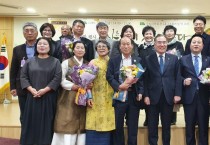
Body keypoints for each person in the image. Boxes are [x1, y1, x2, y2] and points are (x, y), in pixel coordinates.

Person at [20, 37, 62, 144]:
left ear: (49, 47)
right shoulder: (29, 61)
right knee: (31, 121)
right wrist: (31, 89)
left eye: (45, 44)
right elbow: (23, 77)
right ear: (36, 47)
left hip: (49, 97)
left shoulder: (56, 61)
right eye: (39, 44)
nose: (42, 46)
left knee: (47, 122)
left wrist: (45, 90)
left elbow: (57, 78)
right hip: (32, 96)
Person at [144, 34, 182, 145]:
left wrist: (177, 94)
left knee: (166, 126)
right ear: (154, 44)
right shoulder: (148, 58)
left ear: (167, 44)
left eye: (164, 42)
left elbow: (178, 77)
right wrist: (145, 95)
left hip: (168, 96)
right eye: (159, 42)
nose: (162, 44)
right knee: (152, 126)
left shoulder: (174, 58)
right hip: (152, 98)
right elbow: (145, 79)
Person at [106, 37, 144, 145]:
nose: (126, 46)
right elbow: (109, 76)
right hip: (119, 96)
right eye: (123, 44)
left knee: (133, 126)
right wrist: (119, 86)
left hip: (133, 96)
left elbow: (141, 78)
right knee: (118, 126)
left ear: (132, 46)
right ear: (120, 46)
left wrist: (141, 92)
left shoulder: (138, 60)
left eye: (128, 44)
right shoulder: (114, 60)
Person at [52, 41, 88, 145]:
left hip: (82, 95)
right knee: (67, 118)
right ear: (73, 50)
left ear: (85, 51)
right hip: (68, 95)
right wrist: (73, 86)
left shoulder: (87, 63)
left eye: (82, 48)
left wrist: (87, 85)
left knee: (81, 120)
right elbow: (61, 79)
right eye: (78, 47)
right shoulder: (66, 62)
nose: (80, 50)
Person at [180, 34, 210, 145]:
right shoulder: (183, 60)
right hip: (189, 98)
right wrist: (183, 81)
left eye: (199, 42)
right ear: (190, 45)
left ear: (203, 45)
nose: (196, 44)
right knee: (189, 128)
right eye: (194, 42)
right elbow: (178, 76)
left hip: (204, 97)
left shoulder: (208, 60)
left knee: (203, 127)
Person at [86, 40, 115, 145]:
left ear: (108, 49)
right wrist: (89, 97)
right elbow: (86, 82)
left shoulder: (113, 61)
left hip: (110, 97)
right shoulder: (92, 62)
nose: (101, 48)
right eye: (99, 46)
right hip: (95, 96)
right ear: (96, 49)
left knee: (109, 122)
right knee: (94, 121)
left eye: (104, 46)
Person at [10, 22, 38, 126]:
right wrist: (13, 87)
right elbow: (14, 69)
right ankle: (25, 137)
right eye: (27, 31)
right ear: (23, 33)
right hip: (22, 87)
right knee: (24, 114)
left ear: (36, 33)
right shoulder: (17, 49)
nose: (29, 33)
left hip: (39, 86)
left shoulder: (42, 47)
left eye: (32, 31)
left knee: (37, 114)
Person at [163, 25, 184, 125]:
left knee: (172, 96)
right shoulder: (162, 43)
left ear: (174, 33)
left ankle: (173, 118)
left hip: (174, 70)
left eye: (171, 31)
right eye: (167, 31)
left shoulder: (178, 44)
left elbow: (182, 57)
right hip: (163, 71)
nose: (169, 33)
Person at [138, 25, 156, 126]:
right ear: (143, 35)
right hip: (142, 76)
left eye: (150, 33)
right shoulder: (140, 47)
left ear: (153, 35)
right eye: (146, 34)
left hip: (153, 76)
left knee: (152, 97)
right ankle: (146, 117)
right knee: (143, 96)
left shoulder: (156, 47)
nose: (148, 35)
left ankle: (150, 119)